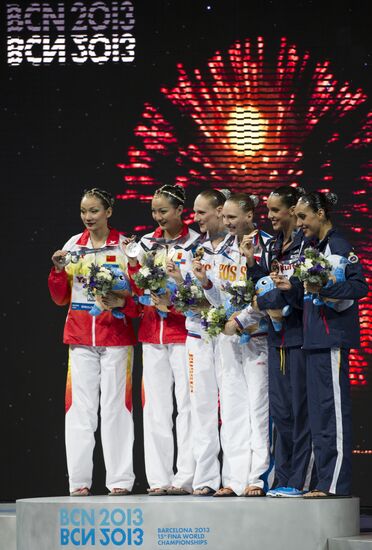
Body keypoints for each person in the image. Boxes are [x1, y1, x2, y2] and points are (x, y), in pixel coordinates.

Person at [276, 191, 368, 497]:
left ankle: (334, 485)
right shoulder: (314, 247)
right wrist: (290, 288)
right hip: (312, 339)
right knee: (318, 415)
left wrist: (327, 284)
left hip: (331, 339)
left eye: (303, 217)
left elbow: (358, 286)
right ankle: (321, 482)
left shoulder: (338, 245)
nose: (299, 223)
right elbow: (307, 298)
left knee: (333, 414)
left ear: (321, 214)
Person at [48, 188, 138, 497]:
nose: (88, 217)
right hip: (80, 337)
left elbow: (139, 298)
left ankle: (120, 481)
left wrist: (119, 303)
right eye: (84, 211)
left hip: (116, 338)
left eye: (94, 211)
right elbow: (60, 297)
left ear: (108, 211)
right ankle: (79, 483)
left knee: (117, 409)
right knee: (79, 412)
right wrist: (58, 270)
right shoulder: (73, 246)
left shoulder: (126, 247)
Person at [234, 185, 315, 498]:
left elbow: (306, 289)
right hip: (276, 337)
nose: (270, 217)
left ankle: (300, 480)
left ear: (293, 210)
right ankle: (283, 478)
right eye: (267, 211)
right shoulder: (271, 248)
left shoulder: (307, 246)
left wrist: (286, 295)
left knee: (300, 410)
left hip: (301, 336)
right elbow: (262, 288)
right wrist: (252, 264)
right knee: (281, 413)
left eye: (275, 211)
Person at [193, 193, 272, 497]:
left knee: (258, 410)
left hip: (258, 338)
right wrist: (206, 283)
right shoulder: (220, 250)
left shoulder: (267, 246)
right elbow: (219, 301)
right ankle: (234, 478)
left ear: (250, 215)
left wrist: (243, 320)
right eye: (223, 217)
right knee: (233, 409)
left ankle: (257, 476)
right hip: (229, 340)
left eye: (232, 218)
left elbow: (267, 296)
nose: (226, 223)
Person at [127, 184, 199, 496]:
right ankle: (158, 478)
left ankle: (185, 478)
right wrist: (138, 277)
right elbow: (134, 283)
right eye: (154, 211)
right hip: (151, 332)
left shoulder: (197, 242)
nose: (158, 217)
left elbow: (200, 285)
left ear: (180, 209)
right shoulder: (145, 243)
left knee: (187, 406)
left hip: (184, 333)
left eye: (163, 211)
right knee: (155, 407)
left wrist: (176, 299)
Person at [185, 188, 230, 496]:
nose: (196, 218)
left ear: (218, 212)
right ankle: (204, 477)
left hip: (228, 335)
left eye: (202, 212)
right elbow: (186, 292)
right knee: (200, 406)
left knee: (230, 406)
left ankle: (234, 477)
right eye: (195, 212)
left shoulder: (236, 247)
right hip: (197, 335)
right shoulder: (193, 249)